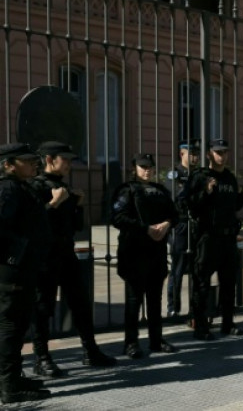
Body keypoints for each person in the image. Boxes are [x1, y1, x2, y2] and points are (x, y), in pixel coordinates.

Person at [30, 142, 116, 377]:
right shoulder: (35, 187)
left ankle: (90, 351)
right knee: (43, 307)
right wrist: (53, 203)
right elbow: (33, 225)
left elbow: (76, 227)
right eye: (64, 159)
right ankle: (41, 358)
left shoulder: (63, 187)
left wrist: (77, 206)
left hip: (66, 254)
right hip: (45, 257)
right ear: (49, 159)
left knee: (80, 303)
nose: (69, 164)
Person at [112, 153, 179, 358]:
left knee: (154, 300)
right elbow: (117, 218)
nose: (147, 170)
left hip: (156, 252)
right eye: (142, 167)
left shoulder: (160, 190)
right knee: (134, 300)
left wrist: (167, 223)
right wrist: (145, 228)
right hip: (134, 252)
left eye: (150, 166)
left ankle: (156, 340)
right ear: (134, 168)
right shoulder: (126, 190)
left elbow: (175, 214)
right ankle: (130, 343)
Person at [0, 143, 53, 403]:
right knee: (10, 326)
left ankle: (13, 377)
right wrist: (19, 252)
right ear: (8, 164)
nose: (35, 163)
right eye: (27, 160)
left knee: (18, 325)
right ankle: (9, 387)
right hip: (13, 272)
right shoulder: (7, 188)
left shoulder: (20, 187)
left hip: (23, 269)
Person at [188, 139, 243, 340]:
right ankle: (201, 326)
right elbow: (189, 204)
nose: (222, 156)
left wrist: (241, 196)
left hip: (228, 238)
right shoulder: (200, 177)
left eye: (224, 152)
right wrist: (205, 192)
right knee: (202, 283)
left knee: (229, 283)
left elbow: (235, 206)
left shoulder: (230, 178)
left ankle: (227, 324)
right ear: (209, 155)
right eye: (218, 152)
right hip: (208, 237)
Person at [166, 139, 199, 319]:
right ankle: (173, 307)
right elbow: (175, 198)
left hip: (196, 225)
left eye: (196, 153)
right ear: (182, 154)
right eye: (191, 153)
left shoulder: (199, 174)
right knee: (177, 270)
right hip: (180, 225)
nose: (195, 157)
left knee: (197, 269)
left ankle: (195, 307)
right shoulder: (175, 174)